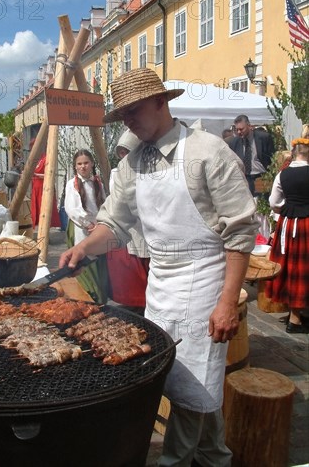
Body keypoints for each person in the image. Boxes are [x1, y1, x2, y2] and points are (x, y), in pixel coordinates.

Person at [60, 68, 258, 467]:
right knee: (188, 385)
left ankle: (174, 462)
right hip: (161, 284)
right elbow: (114, 224)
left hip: (204, 282)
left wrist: (225, 303)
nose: (129, 120)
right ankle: (216, 457)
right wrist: (84, 246)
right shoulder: (132, 165)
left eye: (134, 111)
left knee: (193, 385)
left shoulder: (207, 151)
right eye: (124, 114)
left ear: (161, 102)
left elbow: (240, 232)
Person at [265, 137, 309, 334]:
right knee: (302, 269)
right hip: (306, 224)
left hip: (289, 224)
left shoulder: (283, 174)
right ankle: (296, 318)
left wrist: (289, 206)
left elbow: (274, 202)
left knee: (291, 267)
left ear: (294, 152)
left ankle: (296, 314)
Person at [107, 128, 149, 314]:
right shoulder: (117, 173)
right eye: (121, 152)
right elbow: (118, 206)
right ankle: (136, 306)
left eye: (127, 151)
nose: (124, 155)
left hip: (147, 230)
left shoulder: (147, 170)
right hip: (130, 229)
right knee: (134, 271)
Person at [64, 149, 109, 303]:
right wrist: (88, 224)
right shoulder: (73, 184)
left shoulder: (98, 183)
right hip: (81, 228)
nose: (83, 166)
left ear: (92, 164)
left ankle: (100, 298)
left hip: (98, 227)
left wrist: (102, 223)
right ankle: (89, 298)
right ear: (75, 166)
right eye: (79, 164)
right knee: (85, 261)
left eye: (86, 163)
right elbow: (72, 209)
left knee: (99, 261)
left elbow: (104, 204)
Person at [229, 114, 275, 195]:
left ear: (249, 125)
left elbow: (272, 157)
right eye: (237, 130)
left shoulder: (264, 138)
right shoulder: (234, 143)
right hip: (244, 178)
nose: (239, 132)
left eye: (241, 129)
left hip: (262, 176)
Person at [30, 146, 61, 232]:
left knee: (44, 207)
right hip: (35, 187)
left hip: (44, 187)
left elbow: (49, 174)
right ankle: (38, 225)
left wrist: (36, 175)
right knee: (36, 207)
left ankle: (47, 226)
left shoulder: (46, 158)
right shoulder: (36, 160)